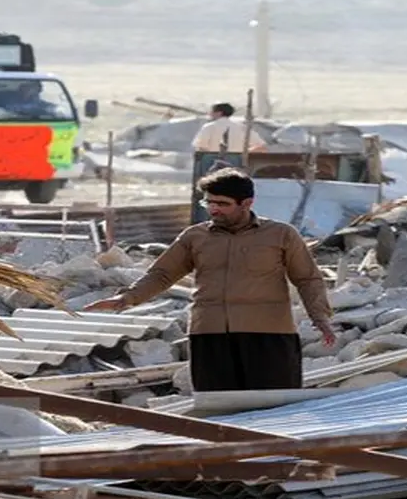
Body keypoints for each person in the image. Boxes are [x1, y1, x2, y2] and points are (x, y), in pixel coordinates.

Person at [83, 168, 335, 392]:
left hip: (267, 336)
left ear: (246, 203)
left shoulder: (281, 235)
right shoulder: (195, 237)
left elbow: (308, 278)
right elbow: (162, 274)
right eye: (209, 203)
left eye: (223, 204)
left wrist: (320, 317)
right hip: (210, 336)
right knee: (218, 407)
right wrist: (126, 298)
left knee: (274, 405)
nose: (214, 209)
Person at [192, 102, 268, 154]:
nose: (210, 114)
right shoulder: (242, 128)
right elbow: (262, 147)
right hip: (237, 165)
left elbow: (200, 147)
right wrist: (242, 154)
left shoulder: (209, 127)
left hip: (214, 164)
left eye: (212, 112)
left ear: (219, 113)